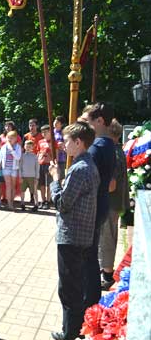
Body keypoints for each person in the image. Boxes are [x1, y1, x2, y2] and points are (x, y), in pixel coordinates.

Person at [49, 121, 99, 340]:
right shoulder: (87, 163)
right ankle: (75, 328)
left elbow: (62, 203)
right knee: (75, 285)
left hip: (72, 236)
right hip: (81, 234)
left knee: (69, 288)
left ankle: (69, 333)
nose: (63, 144)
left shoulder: (79, 169)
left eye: (67, 141)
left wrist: (55, 180)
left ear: (78, 142)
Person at [79, 102, 116, 309]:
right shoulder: (108, 143)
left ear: (99, 121)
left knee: (87, 259)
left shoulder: (97, 147)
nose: (84, 126)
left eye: (88, 122)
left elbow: (86, 182)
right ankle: (91, 302)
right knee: (91, 256)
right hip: (100, 204)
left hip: (91, 207)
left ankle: (88, 303)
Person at [99, 119, 129, 290]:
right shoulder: (118, 150)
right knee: (107, 237)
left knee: (107, 238)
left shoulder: (113, 153)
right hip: (114, 202)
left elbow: (111, 185)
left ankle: (107, 276)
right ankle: (105, 270)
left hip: (110, 202)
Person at [0, 130, 22, 210]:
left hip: (14, 169)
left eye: (12, 138)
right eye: (8, 138)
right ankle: (9, 204)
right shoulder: (4, 147)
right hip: (6, 168)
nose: (9, 139)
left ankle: (11, 201)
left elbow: (18, 157)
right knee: (8, 186)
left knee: (13, 186)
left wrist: (12, 150)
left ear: (16, 139)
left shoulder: (18, 147)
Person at [36, 125, 55, 209]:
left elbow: (56, 154)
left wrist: (54, 162)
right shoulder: (40, 142)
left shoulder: (54, 142)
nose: (43, 134)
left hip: (49, 164)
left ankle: (48, 200)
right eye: (42, 132)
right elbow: (38, 152)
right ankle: (43, 200)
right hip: (41, 164)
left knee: (48, 184)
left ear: (50, 132)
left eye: (45, 132)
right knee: (42, 184)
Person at [19, 140, 40, 212]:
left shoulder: (35, 157)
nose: (28, 148)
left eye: (30, 147)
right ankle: (22, 203)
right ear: (24, 147)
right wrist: (20, 176)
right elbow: (20, 167)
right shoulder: (22, 156)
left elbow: (37, 167)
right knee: (22, 191)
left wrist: (37, 177)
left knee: (34, 191)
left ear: (32, 147)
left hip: (32, 177)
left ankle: (36, 204)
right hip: (24, 177)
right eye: (27, 146)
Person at [54, 116, 67, 180]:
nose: (55, 123)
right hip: (52, 156)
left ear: (61, 124)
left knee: (61, 176)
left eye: (57, 122)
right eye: (55, 121)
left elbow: (67, 142)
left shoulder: (64, 133)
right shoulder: (51, 132)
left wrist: (62, 144)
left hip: (61, 157)